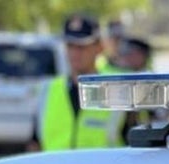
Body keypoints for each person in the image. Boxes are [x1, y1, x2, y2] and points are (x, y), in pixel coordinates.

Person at [28, 14, 127, 152]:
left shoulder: (118, 91)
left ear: (99, 47)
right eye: (70, 46)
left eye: (82, 46)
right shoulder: (48, 90)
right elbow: (35, 144)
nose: (74, 53)